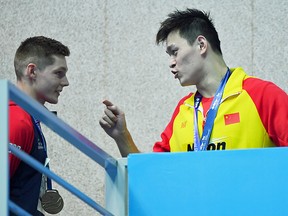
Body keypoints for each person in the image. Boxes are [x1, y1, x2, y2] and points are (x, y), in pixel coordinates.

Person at [99, 8, 288, 157]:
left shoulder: (262, 95)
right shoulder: (184, 110)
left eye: (175, 51)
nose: (171, 62)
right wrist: (122, 136)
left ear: (201, 45)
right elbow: (154, 175)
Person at [9, 36, 70, 215]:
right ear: (32, 71)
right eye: (59, 73)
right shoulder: (17, 119)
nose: (66, 82)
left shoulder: (27, 117)